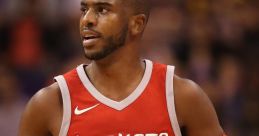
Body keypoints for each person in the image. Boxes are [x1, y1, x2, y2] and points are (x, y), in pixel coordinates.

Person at [19, 0, 226, 135]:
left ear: (136, 24)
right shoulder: (49, 103)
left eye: (102, 9)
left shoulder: (183, 97)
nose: (87, 20)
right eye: (84, 9)